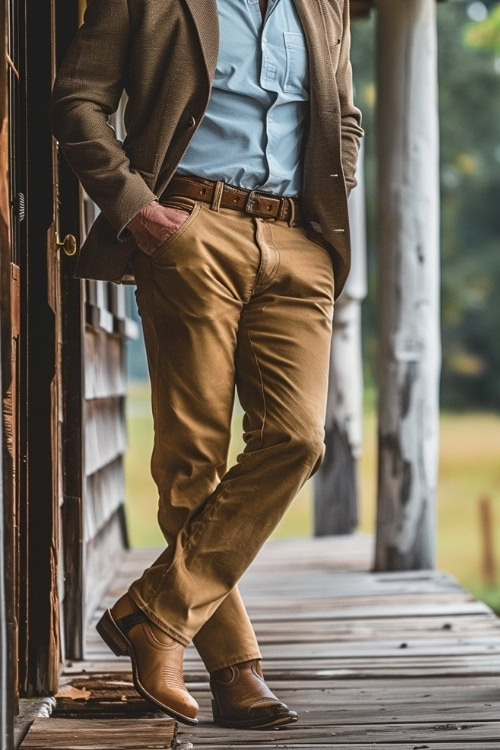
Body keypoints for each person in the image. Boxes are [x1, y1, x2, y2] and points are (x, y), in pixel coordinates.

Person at [50, 0, 363, 731]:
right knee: (192, 459)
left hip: (297, 242)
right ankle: (236, 670)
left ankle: (156, 614)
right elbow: (76, 100)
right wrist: (138, 210)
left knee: (298, 439)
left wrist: (329, 199)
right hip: (190, 229)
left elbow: (342, 112)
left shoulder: (326, 4)